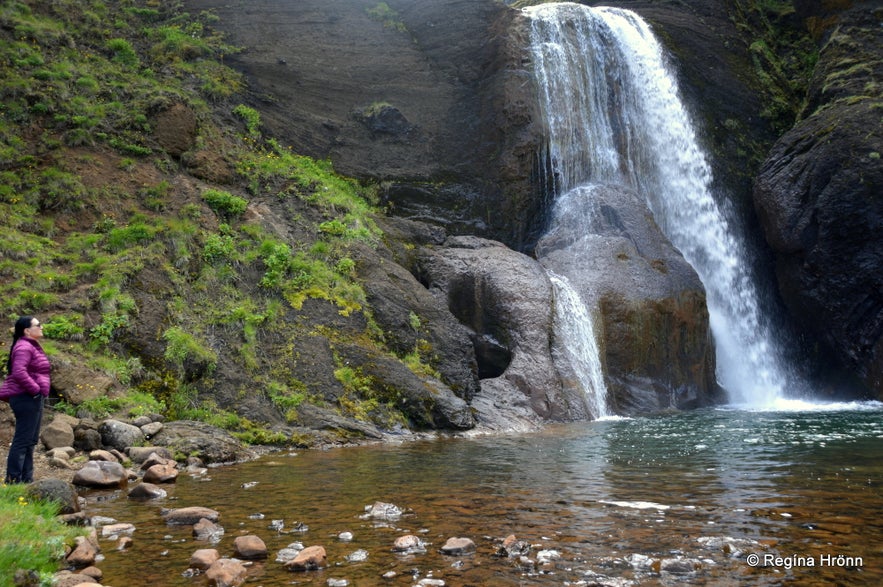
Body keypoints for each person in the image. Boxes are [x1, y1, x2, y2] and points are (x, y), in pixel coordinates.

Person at [0, 316, 50, 484]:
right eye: (38, 325)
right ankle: (13, 481)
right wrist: (35, 390)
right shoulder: (24, 347)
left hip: (32, 397)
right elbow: (19, 372)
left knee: (30, 440)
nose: (41, 327)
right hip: (25, 397)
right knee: (22, 440)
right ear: (27, 330)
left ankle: (26, 479)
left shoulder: (29, 346)